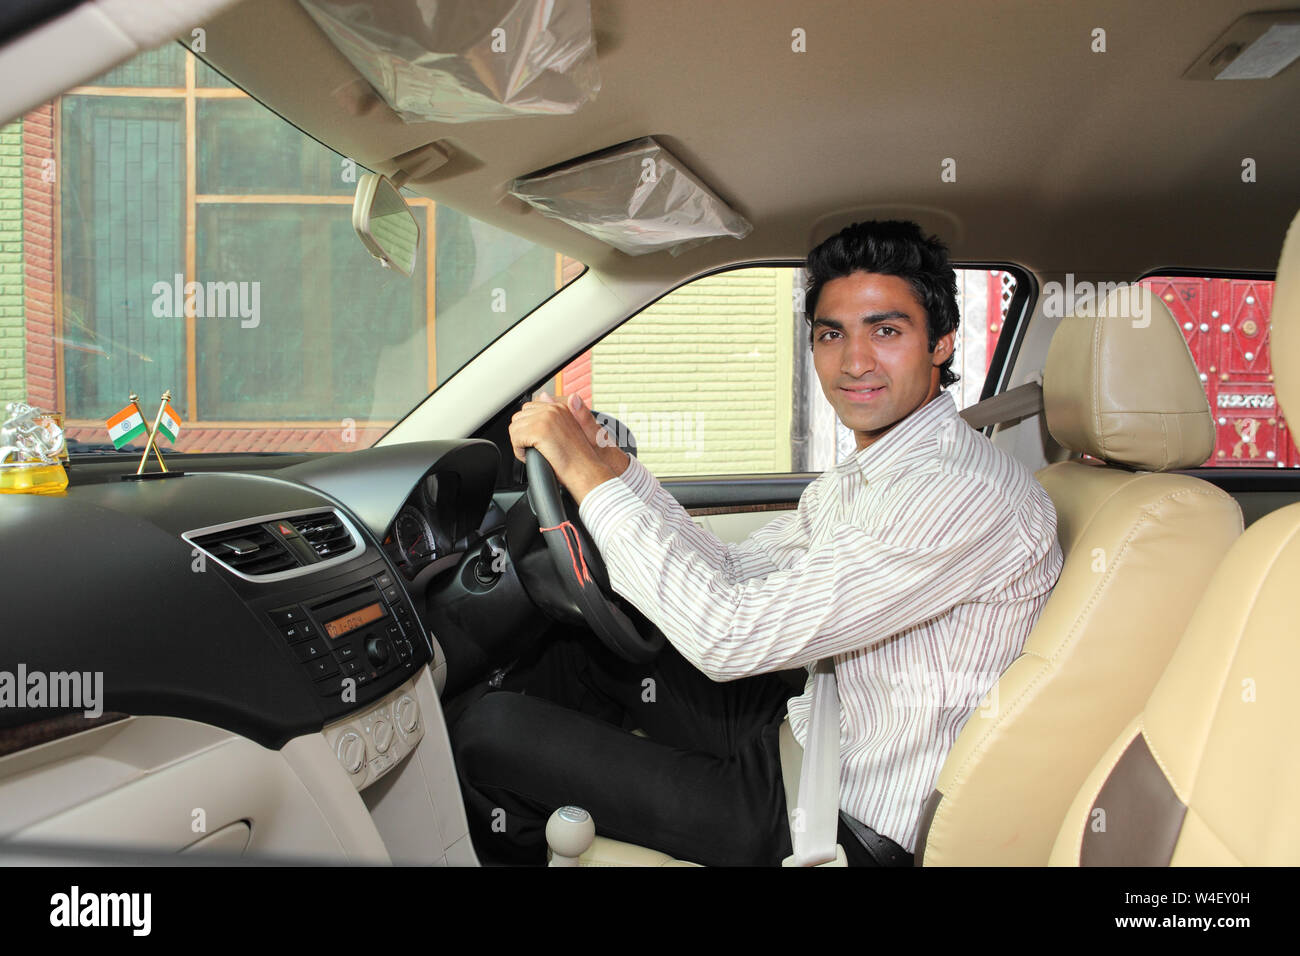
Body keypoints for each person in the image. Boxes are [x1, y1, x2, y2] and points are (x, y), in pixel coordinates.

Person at [450, 220, 1063, 866]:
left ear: (941, 342)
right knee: (589, 652)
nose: (855, 361)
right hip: (816, 723)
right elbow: (736, 569)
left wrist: (581, 476)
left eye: (886, 330)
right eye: (833, 333)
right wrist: (617, 475)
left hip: (835, 821)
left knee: (486, 733)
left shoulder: (958, 491)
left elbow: (726, 633)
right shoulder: (879, 470)